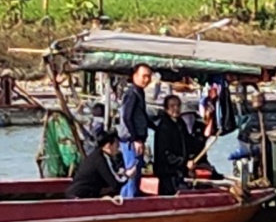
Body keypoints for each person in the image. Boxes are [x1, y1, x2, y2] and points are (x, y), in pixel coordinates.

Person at [118, 64, 154, 197]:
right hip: (130, 141)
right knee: (132, 174)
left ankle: (127, 200)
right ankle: (128, 203)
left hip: (137, 139)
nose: (147, 79)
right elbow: (127, 117)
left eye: (149, 76)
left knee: (136, 174)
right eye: (144, 76)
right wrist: (135, 139)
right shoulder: (132, 93)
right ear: (135, 76)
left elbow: (141, 116)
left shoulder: (140, 92)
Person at [66, 131, 136, 199]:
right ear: (108, 145)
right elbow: (115, 184)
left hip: (82, 194)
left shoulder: (98, 155)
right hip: (79, 197)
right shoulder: (100, 159)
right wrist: (127, 175)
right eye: (116, 144)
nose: (118, 147)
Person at [153, 95, 194, 196]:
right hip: (168, 172)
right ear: (166, 109)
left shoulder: (180, 123)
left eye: (178, 105)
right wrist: (183, 162)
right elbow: (165, 154)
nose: (176, 108)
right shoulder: (164, 127)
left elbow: (188, 143)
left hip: (180, 171)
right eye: (172, 106)